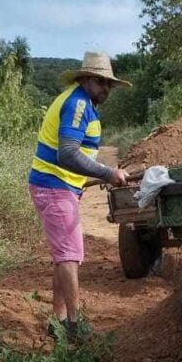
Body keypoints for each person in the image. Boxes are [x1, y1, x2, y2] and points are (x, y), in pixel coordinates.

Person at [28, 51, 131, 340]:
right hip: (53, 185)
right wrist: (108, 173)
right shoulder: (77, 105)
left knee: (64, 255)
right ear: (85, 79)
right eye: (100, 82)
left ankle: (59, 321)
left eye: (108, 84)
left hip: (60, 186)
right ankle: (74, 326)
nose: (106, 89)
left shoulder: (82, 102)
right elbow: (68, 153)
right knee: (70, 255)